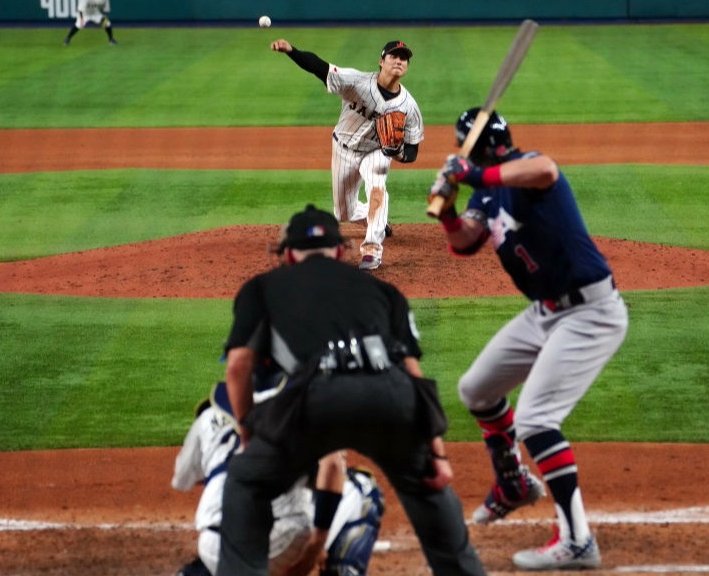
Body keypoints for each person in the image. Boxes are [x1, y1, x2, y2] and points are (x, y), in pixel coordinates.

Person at [217, 204, 486, 576]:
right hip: (391, 398)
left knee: (246, 481)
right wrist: (435, 454)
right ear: (340, 251)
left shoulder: (261, 288)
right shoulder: (384, 291)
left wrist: (250, 435)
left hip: (316, 401)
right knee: (430, 490)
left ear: (290, 255)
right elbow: (413, 372)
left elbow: (238, 366)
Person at [426, 108, 629, 570]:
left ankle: (578, 540)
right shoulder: (488, 194)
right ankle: (512, 482)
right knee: (476, 389)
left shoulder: (527, 167)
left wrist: (474, 173)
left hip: (591, 312)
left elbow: (545, 169)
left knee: (537, 420)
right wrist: (450, 207)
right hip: (545, 313)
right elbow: (464, 241)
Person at [172, 381, 385, 576]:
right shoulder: (305, 405)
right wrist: (317, 545)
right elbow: (332, 465)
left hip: (211, 544)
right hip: (281, 542)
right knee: (363, 489)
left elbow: (184, 479)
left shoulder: (209, 415)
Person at [269, 39, 424, 271]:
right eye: (394, 57)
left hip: (376, 152)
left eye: (404, 59)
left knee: (377, 186)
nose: (399, 61)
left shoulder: (409, 107)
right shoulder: (357, 82)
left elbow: (411, 152)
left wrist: (396, 152)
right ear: (381, 62)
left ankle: (372, 250)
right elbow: (319, 68)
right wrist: (292, 51)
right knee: (344, 211)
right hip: (343, 149)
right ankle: (377, 222)